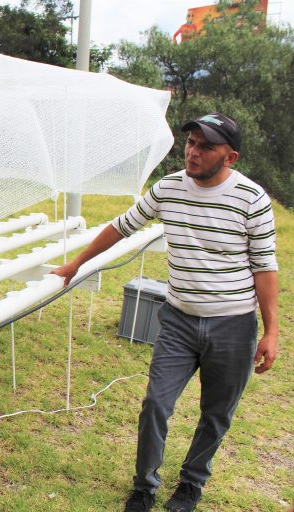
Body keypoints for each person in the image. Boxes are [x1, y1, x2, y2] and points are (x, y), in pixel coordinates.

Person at [52, 113, 278, 512]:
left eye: (206, 146)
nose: (193, 151)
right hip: (178, 319)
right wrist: (77, 264)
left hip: (234, 325)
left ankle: (191, 483)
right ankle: (144, 486)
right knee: (156, 402)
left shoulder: (252, 199)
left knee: (216, 413)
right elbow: (122, 226)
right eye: (191, 141)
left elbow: (264, 267)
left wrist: (271, 331)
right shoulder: (169, 188)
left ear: (231, 157)